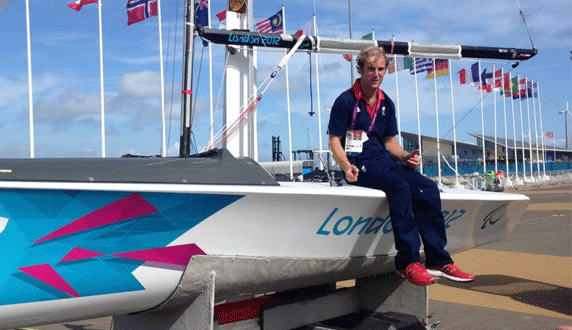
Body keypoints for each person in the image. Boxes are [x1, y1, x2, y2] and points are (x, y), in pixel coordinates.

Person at [327, 46, 474, 286]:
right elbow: (334, 140)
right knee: (399, 187)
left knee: (428, 188)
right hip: (359, 162)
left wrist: (406, 157)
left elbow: (389, 141)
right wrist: (345, 166)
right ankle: (407, 262)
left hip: (384, 160)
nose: (376, 74)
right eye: (371, 69)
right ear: (361, 69)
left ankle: (438, 260)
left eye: (381, 69)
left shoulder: (387, 103)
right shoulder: (345, 100)